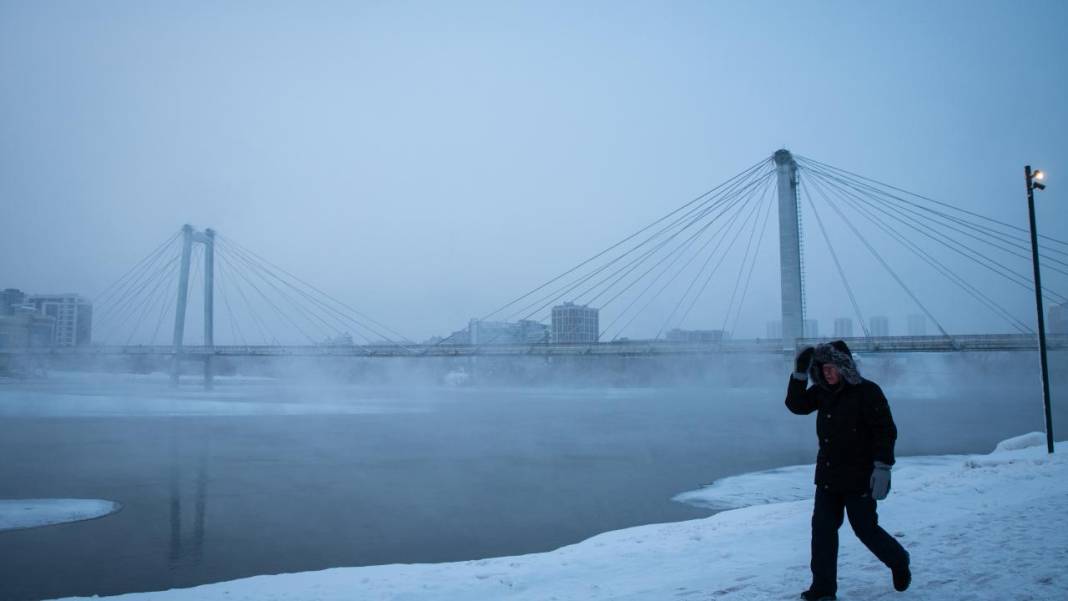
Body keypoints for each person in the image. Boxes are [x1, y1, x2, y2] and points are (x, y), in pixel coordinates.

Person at [785, 340, 911, 601]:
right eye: (822, 369)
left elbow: (885, 431)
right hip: (828, 476)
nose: (827, 373)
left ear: (845, 367)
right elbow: (797, 405)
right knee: (822, 533)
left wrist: (883, 467)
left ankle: (898, 560)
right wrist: (799, 374)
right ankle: (823, 590)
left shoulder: (868, 392)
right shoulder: (822, 391)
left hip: (860, 477)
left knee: (865, 529)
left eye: (831, 368)